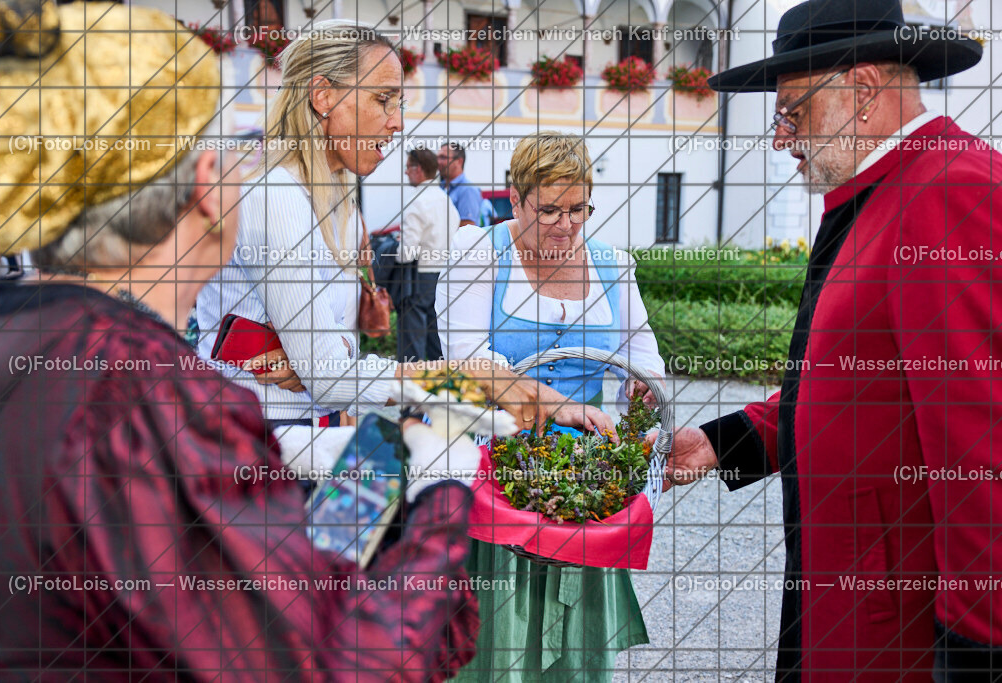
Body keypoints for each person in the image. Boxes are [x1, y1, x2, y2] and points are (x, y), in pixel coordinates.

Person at [0, 3, 544, 678]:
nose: (398, 120)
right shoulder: (272, 203)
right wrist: (439, 464)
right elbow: (338, 659)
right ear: (204, 186)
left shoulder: (28, 333)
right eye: (386, 98)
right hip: (261, 473)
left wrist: (373, 416)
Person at [665, 0, 1000, 680]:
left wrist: (977, 654)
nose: (782, 138)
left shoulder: (949, 190)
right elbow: (856, 384)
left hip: (897, 641)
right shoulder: (885, 188)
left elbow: (982, 450)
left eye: (794, 111)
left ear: (864, 92)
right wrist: (724, 441)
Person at [196, 24, 613, 437]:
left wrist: (331, 380)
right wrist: (472, 375)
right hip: (251, 444)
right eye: (383, 100)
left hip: (303, 433)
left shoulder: (332, 196)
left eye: (400, 102)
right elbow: (330, 377)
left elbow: (334, 365)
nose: (397, 122)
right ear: (323, 96)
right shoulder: (278, 195)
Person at [436, 131, 667, 680]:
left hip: (583, 477)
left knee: (575, 651)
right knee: (495, 636)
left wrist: (645, 387)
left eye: (579, 208)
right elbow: (468, 361)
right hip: (492, 467)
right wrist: (555, 404)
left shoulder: (612, 264)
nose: (567, 225)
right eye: (550, 210)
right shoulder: (480, 255)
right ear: (515, 200)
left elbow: (643, 351)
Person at [396, 146, 459, 362]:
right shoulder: (446, 199)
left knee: (411, 339)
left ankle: (410, 385)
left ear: (418, 169)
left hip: (418, 275)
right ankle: (439, 383)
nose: (405, 173)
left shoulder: (417, 200)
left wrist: (395, 249)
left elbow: (407, 252)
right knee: (436, 336)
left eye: (407, 168)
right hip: (443, 273)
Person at [438, 141, 483, 226]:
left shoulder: (467, 190)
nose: (438, 162)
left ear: (459, 161)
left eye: (443, 157)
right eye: (437, 158)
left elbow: (467, 229)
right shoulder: (440, 188)